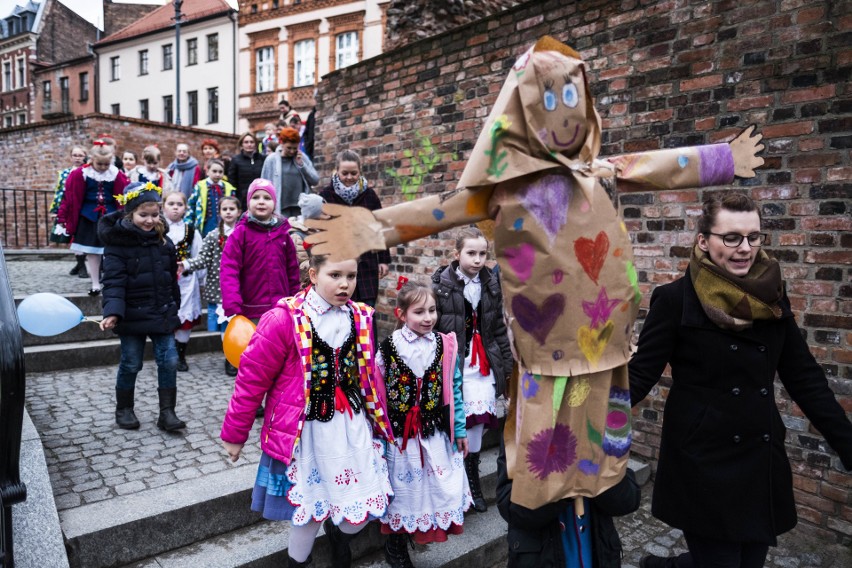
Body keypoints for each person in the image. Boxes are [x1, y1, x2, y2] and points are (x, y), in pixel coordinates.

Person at [303, 36, 765, 511]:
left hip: (603, 331)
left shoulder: (597, 173)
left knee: (600, 417)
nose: (563, 113)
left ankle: (598, 484)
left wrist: (725, 159)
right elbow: (434, 211)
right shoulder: (504, 190)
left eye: (571, 98)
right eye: (548, 100)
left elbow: (656, 165)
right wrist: (365, 229)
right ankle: (539, 498)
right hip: (542, 341)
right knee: (543, 427)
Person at [629, 193, 852, 568]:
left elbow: (805, 378)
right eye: (731, 237)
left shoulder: (773, 298)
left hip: (757, 457)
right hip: (702, 460)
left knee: (748, 562)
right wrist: (585, 414)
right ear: (704, 240)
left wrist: (847, 443)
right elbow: (640, 376)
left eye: (754, 237)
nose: (744, 248)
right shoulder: (674, 300)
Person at [221, 254, 395, 568]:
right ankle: (299, 563)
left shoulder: (360, 317)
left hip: (352, 426)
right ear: (313, 274)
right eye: (335, 275)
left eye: (352, 276)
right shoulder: (284, 318)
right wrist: (235, 435)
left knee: (360, 509)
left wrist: (382, 418)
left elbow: (369, 374)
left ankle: (340, 536)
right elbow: (251, 378)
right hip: (308, 431)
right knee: (310, 513)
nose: (345, 284)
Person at [374, 281, 472, 567]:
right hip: (401, 438)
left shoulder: (444, 345)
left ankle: (414, 536)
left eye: (432, 310)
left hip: (433, 433)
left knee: (433, 488)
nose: (428, 317)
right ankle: (395, 545)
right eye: (419, 312)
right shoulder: (389, 348)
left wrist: (461, 429)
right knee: (404, 493)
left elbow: (454, 389)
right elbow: (378, 391)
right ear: (402, 314)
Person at [431, 227, 513, 513]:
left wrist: (506, 366)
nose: (478, 260)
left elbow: (498, 327)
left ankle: (473, 479)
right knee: (456, 422)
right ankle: (454, 484)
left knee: (476, 423)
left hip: (483, 363)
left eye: (482, 254)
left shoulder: (491, 283)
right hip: (456, 363)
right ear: (457, 254)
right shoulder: (441, 285)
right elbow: (434, 327)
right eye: (471, 253)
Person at [98, 181, 185, 432]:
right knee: (131, 363)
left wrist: (174, 305)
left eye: (155, 214)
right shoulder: (117, 243)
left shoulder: (163, 241)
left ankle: (167, 412)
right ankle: (124, 408)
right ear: (130, 214)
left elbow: (170, 277)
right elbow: (113, 280)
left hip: (161, 312)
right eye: (143, 215)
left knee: (169, 360)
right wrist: (113, 311)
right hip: (132, 315)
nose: (149, 220)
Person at [496, 434, 640, 567]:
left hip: (598, 555)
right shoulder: (522, 423)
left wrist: (599, 470)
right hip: (540, 557)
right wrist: (560, 484)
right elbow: (511, 508)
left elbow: (628, 500)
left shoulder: (601, 425)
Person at [220, 178, 301, 323]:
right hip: (251, 311)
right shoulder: (240, 234)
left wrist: (295, 300)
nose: (261, 201)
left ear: (274, 203)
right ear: (248, 203)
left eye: (267, 198)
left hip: (281, 310)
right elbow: (229, 270)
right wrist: (233, 306)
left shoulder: (283, 234)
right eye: (256, 197)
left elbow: (292, 271)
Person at [56, 140, 129, 295]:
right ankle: (95, 283)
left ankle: (111, 281)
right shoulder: (79, 174)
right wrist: (62, 218)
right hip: (88, 218)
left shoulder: (117, 174)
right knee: (93, 252)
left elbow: (123, 197)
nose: (103, 168)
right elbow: (70, 197)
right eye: (99, 164)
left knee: (111, 251)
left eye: (106, 164)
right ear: (91, 160)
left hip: (111, 218)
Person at [318, 150, 389, 309]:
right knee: (339, 309)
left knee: (366, 310)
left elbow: (381, 227)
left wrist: (383, 259)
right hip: (336, 261)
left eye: (353, 173)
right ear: (337, 171)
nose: (349, 177)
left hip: (367, 261)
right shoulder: (326, 195)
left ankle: (368, 335)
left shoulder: (370, 196)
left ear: (360, 172)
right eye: (345, 173)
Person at [183, 195, 242, 376]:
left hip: (242, 287)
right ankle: (230, 358)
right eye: (225, 209)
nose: (228, 212)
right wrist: (186, 265)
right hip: (220, 289)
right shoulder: (213, 236)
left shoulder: (244, 234)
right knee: (226, 326)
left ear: (239, 212)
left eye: (232, 209)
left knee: (239, 324)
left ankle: (241, 355)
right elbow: (204, 259)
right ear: (220, 213)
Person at [163, 190, 203, 372]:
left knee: (184, 316)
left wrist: (200, 278)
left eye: (179, 204)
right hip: (163, 281)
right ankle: (167, 352)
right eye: (171, 204)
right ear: (163, 207)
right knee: (166, 315)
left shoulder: (191, 231)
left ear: (185, 208)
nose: (175, 208)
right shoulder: (158, 228)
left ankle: (180, 354)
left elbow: (198, 255)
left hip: (186, 282)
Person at [260, 127, 319, 217]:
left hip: (301, 208)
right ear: (281, 143)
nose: (292, 151)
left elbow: (315, 180)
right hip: (280, 209)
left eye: (295, 148)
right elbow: (263, 185)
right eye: (289, 148)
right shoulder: (271, 160)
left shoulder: (301, 157)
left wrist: (302, 165)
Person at [50, 145, 88, 278]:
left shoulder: (88, 171)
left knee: (85, 237)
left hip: (84, 208)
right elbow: (60, 193)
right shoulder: (65, 173)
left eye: (80, 155)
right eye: (75, 155)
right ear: (71, 157)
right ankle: (81, 265)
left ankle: (80, 264)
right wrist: (55, 210)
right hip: (69, 209)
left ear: (85, 157)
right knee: (73, 238)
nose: (77, 158)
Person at [185, 158, 236, 237]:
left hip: (224, 224)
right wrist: (189, 223)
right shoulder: (200, 186)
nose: (217, 174)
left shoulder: (229, 188)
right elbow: (191, 205)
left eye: (220, 172)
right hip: (205, 225)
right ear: (208, 172)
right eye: (214, 171)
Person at [227, 132, 265, 210]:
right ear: (241, 144)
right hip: (243, 200)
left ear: (255, 144)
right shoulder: (236, 160)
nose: (249, 144)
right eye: (246, 142)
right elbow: (232, 181)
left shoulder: (262, 159)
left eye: (251, 142)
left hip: (260, 197)